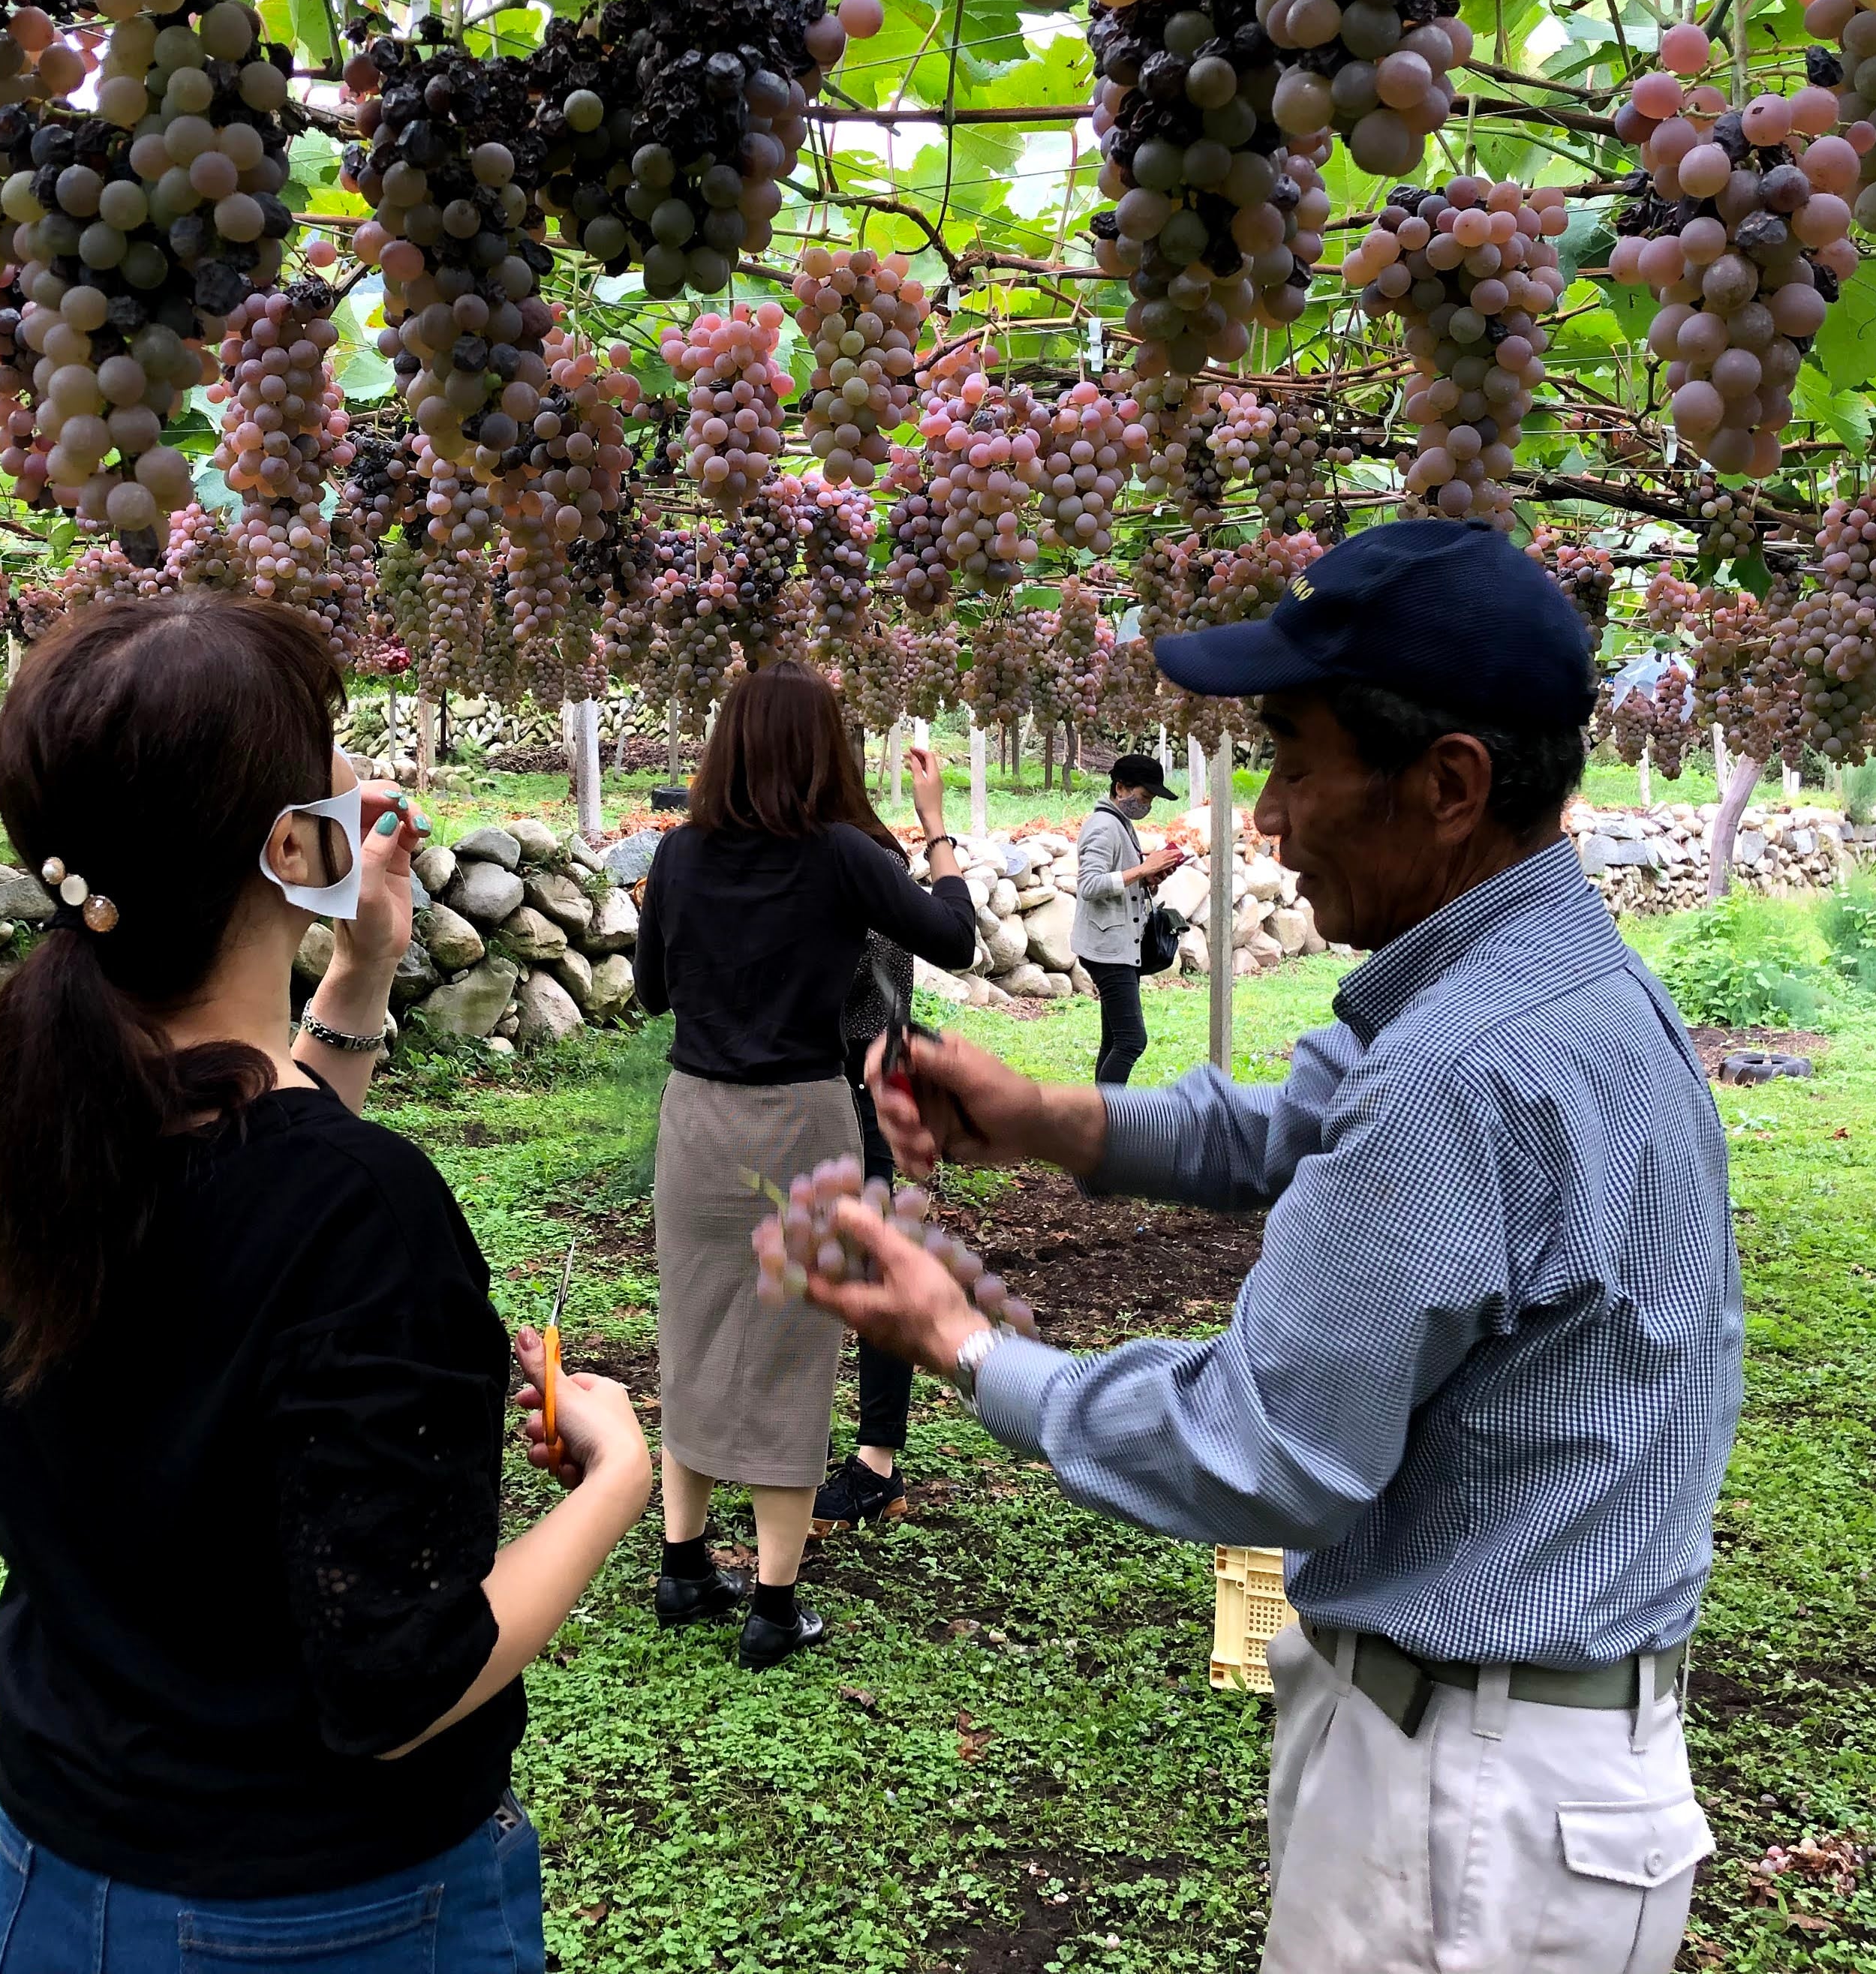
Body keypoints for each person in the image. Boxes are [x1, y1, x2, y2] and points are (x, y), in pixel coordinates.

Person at [817, 520, 1742, 1974]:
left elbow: (1264, 1445)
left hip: (1462, 1827)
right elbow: (1306, 1122)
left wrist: (963, 1345)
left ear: (1448, 787)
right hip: (1549, 1780)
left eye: (1298, 763)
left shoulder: (1464, 1069)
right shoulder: (1556, 981)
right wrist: (1056, 1117)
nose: (1275, 814)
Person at [0, 596, 651, 1972]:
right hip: (323, 1917)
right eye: (325, 757)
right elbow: (400, 1679)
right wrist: (622, 1473)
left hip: (59, 1873)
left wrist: (357, 968)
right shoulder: (363, 1211)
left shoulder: (18, 1111)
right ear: (290, 843)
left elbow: (238, 1206)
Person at [633, 666, 979, 1663]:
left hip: (695, 1119)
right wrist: (936, 827)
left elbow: (655, 992)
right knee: (789, 1354)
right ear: (822, 749)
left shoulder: (682, 854)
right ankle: (774, 1609)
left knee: (692, 1334)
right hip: (800, 1118)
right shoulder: (838, 857)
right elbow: (952, 938)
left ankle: (684, 1567)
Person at [815, 931, 917, 1533]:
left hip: (858, 1078)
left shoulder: (866, 858)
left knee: (877, 1264)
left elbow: (855, 970)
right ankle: (791, 1449)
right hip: (814, 1082)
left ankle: (878, 1468)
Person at [1069, 751, 1188, 1085]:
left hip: (1120, 944)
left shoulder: (1121, 823)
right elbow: (1090, 885)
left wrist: (1149, 876)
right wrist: (1143, 868)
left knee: (1115, 1039)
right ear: (1120, 787)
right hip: (1108, 949)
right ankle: (1110, 1120)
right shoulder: (1103, 826)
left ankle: (1101, 1116)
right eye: (1144, 797)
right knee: (1132, 1041)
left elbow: (1119, 875)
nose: (1147, 805)